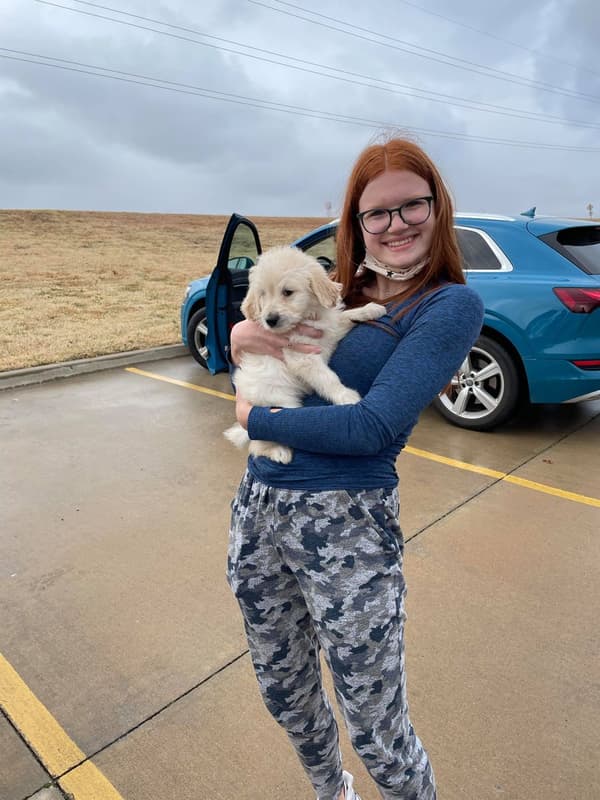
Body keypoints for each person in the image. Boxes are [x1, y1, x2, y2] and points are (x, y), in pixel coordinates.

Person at [226, 136, 484, 800]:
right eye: (378, 213)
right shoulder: (337, 286)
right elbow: (259, 331)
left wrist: (254, 420)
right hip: (259, 514)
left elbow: (371, 426)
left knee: (378, 729)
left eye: (411, 206)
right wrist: (240, 337)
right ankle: (328, 790)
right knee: (284, 692)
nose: (395, 224)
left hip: (348, 534)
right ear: (357, 221)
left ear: (438, 207)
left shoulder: (447, 305)